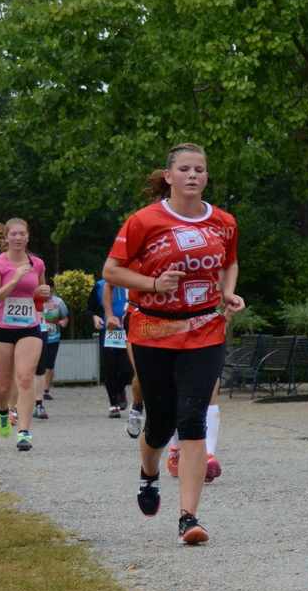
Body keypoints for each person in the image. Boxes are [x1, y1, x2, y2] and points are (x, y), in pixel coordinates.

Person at [103, 144, 244, 545]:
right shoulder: (143, 221)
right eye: (184, 169)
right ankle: (149, 473)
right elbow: (111, 270)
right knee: (161, 423)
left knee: (193, 418)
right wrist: (151, 284)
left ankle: (189, 518)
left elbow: (229, 261)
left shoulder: (223, 221)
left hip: (204, 329)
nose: (193, 175)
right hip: (153, 331)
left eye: (200, 169)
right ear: (169, 176)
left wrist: (227, 293)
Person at [0, 223, 53, 450]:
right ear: (6, 238)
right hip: (0, 329)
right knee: (3, 386)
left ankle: (24, 432)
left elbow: (41, 295)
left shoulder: (37, 263)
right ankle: (3, 411)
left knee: (25, 378)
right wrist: (14, 280)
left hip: (29, 327)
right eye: (13, 234)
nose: (18, 237)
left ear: (28, 237)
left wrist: (45, 293)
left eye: (22, 233)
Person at [92, 274, 134, 417]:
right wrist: (94, 317)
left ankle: (121, 389)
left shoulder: (133, 281)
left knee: (127, 370)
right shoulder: (100, 285)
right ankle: (113, 405)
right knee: (110, 369)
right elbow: (90, 308)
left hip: (128, 331)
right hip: (108, 332)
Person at [31, 291, 69, 420]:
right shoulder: (27, 297)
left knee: (47, 366)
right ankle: (14, 407)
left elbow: (65, 317)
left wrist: (63, 322)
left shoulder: (58, 302)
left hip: (52, 336)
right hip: (31, 333)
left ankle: (44, 393)